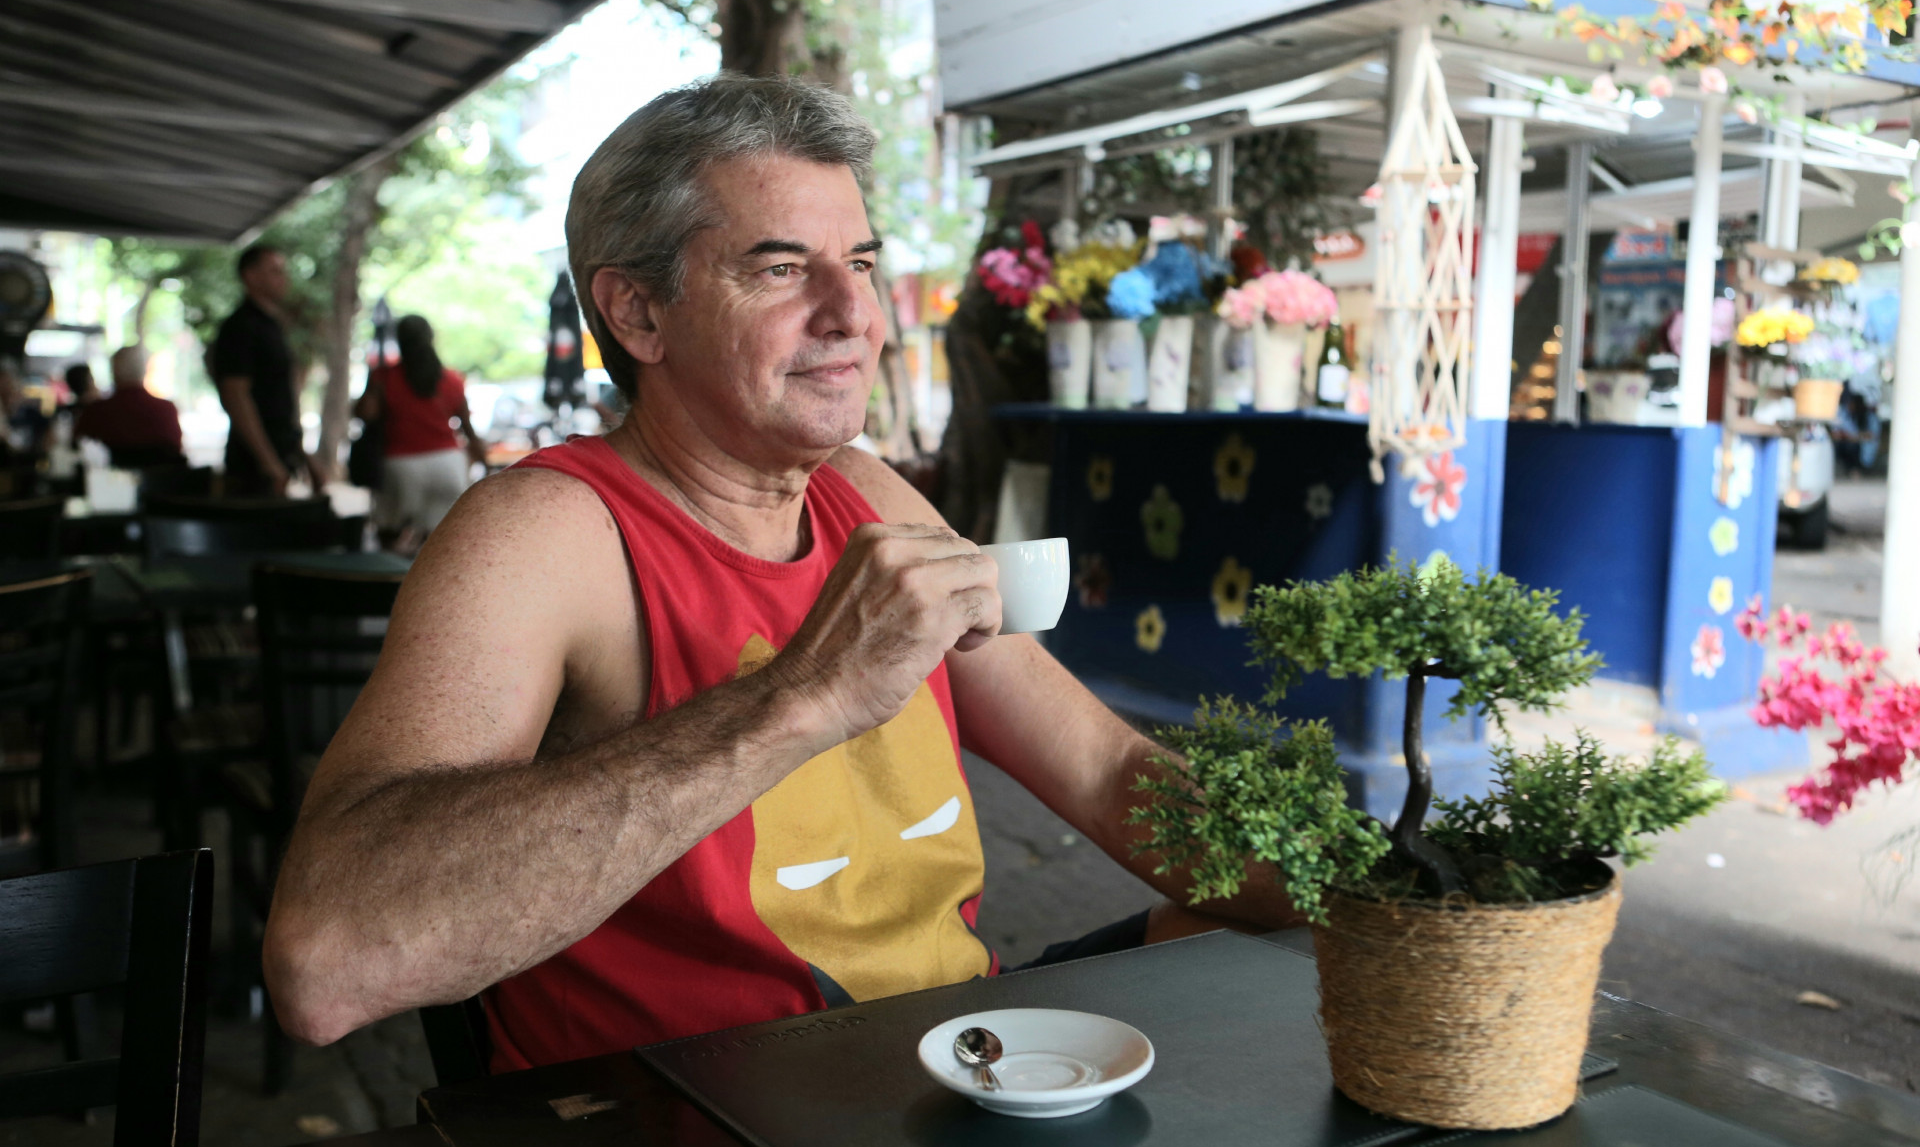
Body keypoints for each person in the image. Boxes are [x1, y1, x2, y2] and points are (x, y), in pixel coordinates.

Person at [264, 75, 1301, 1071]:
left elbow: (1108, 772)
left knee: (1276, 954)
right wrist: (804, 693)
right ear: (637, 314)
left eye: (861, 259)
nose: (854, 311)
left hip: (953, 1058)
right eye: (778, 267)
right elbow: (326, 958)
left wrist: (1374, 887)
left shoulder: (865, 490)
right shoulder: (547, 531)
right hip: (700, 1118)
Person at [353, 314, 487, 547]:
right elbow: (468, 429)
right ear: (430, 338)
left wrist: (372, 382)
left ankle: (389, 580)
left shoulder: (384, 376)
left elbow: (366, 414)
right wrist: (483, 460)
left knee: (388, 536)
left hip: (401, 464)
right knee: (439, 542)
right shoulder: (451, 379)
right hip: (448, 464)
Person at [210, 245, 306, 496]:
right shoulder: (241, 326)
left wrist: (304, 457)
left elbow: (280, 402)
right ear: (250, 276)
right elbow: (235, 395)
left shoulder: (271, 325)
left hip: (279, 459)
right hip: (252, 468)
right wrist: (269, 463)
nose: (283, 278)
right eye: (274, 271)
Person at [74, 346, 183, 467]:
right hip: (161, 484)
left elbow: (77, 447)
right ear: (144, 371)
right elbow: (176, 450)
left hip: (106, 483)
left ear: (114, 371)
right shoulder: (166, 410)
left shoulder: (95, 412)